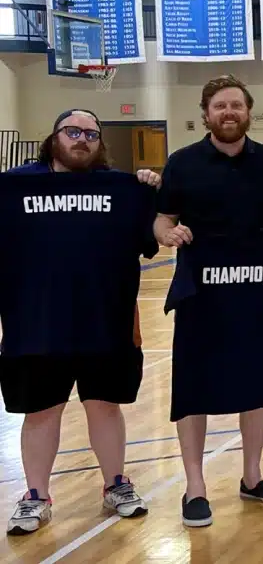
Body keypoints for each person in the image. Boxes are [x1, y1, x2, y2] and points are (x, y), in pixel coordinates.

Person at [154, 75, 263, 527]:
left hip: (257, 290)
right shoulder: (181, 163)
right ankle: (195, 487)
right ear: (206, 114)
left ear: (248, 112)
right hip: (203, 294)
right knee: (194, 387)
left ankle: (252, 476)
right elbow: (161, 222)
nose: (228, 113)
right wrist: (169, 235)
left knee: (256, 382)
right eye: (220, 106)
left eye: (236, 105)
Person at [3, 109, 158, 536]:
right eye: (73, 132)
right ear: (53, 138)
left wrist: (147, 190)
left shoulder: (122, 189)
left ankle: (116, 484)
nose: (82, 140)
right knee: (40, 412)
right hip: (35, 323)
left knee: (105, 407)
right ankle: (36, 495)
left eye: (92, 134)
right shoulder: (15, 187)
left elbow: (151, 242)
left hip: (105, 321)